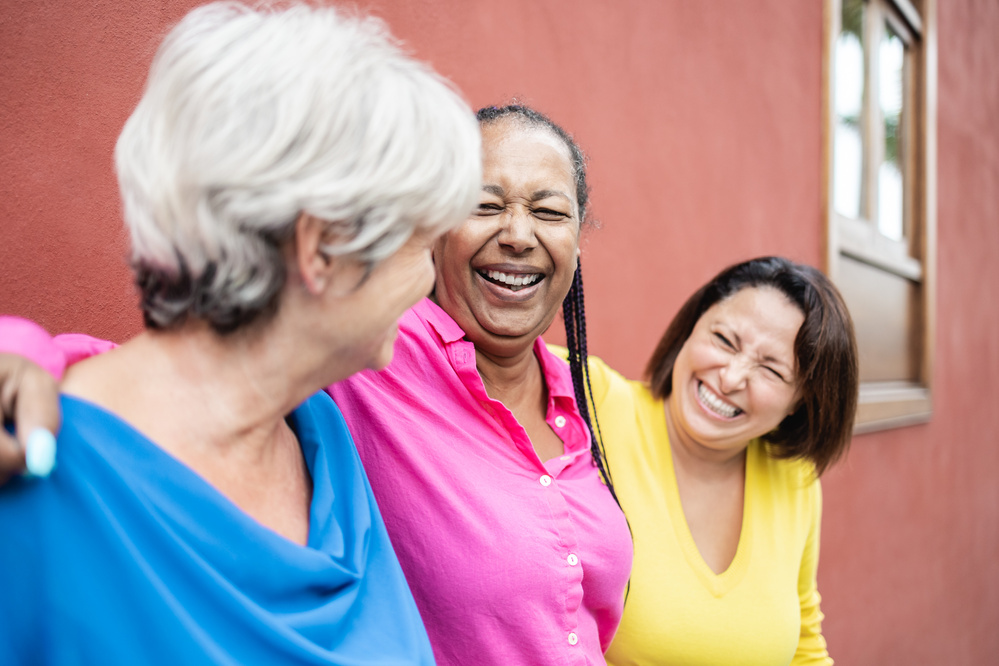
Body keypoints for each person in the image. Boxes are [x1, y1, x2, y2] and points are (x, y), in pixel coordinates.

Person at [0, 103, 633, 665]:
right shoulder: (373, 346)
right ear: (434, 233)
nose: (518, 235)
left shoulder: (587, 392)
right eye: (485, 206)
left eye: (549, 212)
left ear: (579, 240)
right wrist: (20, 353)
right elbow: (195, 363)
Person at [0, 2, 483, 664]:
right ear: (324, 249)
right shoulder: (33, 486)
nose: (431, 282)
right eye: (422, 245)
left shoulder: (323, 439)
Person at [592, 257, 857, 666]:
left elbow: (805, 642)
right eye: (724, 340)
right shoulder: (593, 401)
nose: (731, 378)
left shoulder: (795, 479)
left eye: (770, 369)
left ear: (800, 402)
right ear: (692, 326)